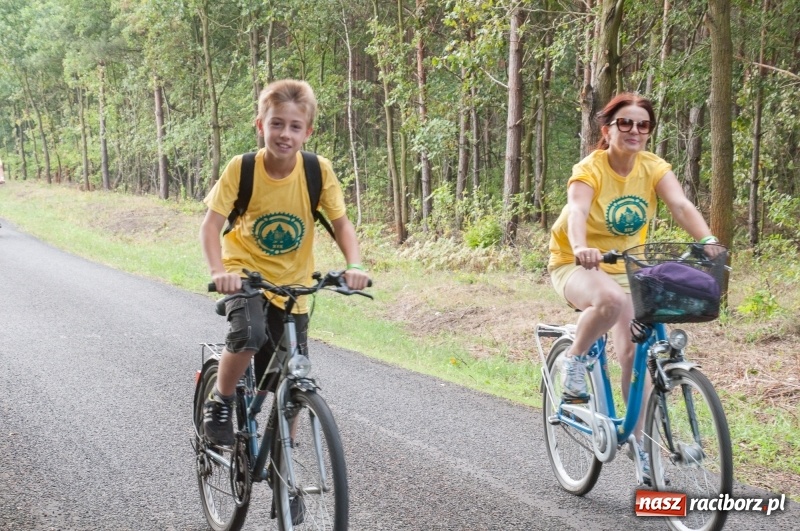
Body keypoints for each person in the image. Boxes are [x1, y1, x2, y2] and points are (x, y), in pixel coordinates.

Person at [547, 92, 723, 483]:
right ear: (607, 129)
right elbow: (577, 211)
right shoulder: (590, 169)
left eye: (643, 125)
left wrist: (708, 239)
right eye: (625, 123)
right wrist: (581, 247)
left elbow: (680, 205)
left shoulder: (653, 167)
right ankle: (575, 361)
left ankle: (640, 444)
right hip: (575, 262)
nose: (635, 130)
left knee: (635, 354)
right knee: (608, 300)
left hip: (627, 267)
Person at [200, 79, 370, 447]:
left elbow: (341, 224)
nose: (284, 134)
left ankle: (284, 462)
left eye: (295, 126)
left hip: (294, 284)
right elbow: (211, 226)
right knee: (250, 335)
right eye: (276, 123)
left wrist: (354, 265)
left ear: (308, 132)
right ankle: (221, 400)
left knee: (290, 379)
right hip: (245, 275)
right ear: (260, 125)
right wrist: (219, 272)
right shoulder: (242, 168)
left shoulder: (317, 171)